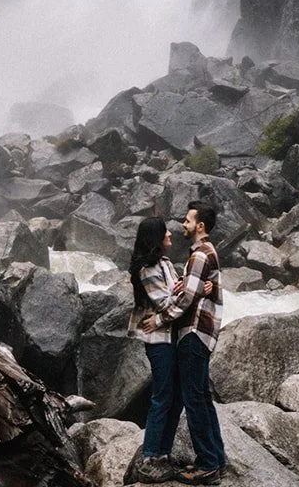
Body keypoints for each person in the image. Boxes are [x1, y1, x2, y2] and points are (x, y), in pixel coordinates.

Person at [151, 203, 226, 486]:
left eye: (187, 220)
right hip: (203, 333)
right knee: (202, 399)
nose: (182, 224)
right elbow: (196, 290)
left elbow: (186, 300)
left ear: (200, 226)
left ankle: (207, 464)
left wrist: (159, 319)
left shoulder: (199, 255)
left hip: (193, 333)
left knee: (194, 400)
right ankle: (216, 459)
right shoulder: (208, 253)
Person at [127, 216, 184, 483]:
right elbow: (164, 302)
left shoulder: (164, 263)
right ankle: (150, 456)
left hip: (171, 336)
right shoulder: (147, 268)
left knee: (176, 396)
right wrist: (188, 290)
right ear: (156, 238)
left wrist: (188, 287)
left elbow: (176, 293)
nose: (171, 235)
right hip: (158, 340)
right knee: (162, 396)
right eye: (165, 233)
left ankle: (163, 453)